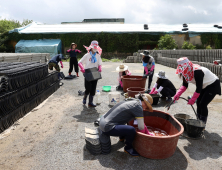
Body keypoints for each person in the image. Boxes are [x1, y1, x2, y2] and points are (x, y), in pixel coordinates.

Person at [173, 57, 221, 124]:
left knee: (203, 104)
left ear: (188, 65)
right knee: (198, 103)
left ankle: (202, 124)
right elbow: (185, 85)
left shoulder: (197, 71)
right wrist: (177, 94)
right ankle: (198, 121)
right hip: (204, 86)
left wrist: (193, 99)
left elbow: (199, 88)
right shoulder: (184, 72)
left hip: (213, 84)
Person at [78, 40, 102, 107]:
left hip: (95, 72)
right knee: (88, 88)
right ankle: (85, 97)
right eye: (93, 47)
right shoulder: (87, 55)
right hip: (88, 73)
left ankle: (90, 102)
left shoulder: (98, 55)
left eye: (96, 47)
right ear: (91, 47)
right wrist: (82, 68)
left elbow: (100, 63)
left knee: (93, 88)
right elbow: (79, 62)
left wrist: (100, 67)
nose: (94, 48)